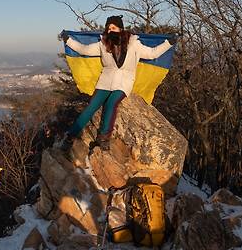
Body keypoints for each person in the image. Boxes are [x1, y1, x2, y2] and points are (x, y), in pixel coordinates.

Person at [60, 15, 175, 152]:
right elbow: (84, 50)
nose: (110, 31)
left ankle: (103, 138)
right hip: (105, 81)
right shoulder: (103, 44)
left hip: (124, 82)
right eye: (108, 28)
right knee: (91, 106)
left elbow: (152, 54)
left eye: (113, 27)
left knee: (111, 103)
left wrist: (169, 43)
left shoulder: (134, 44)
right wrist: (68, 40)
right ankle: (70, 136)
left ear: (120, 28)